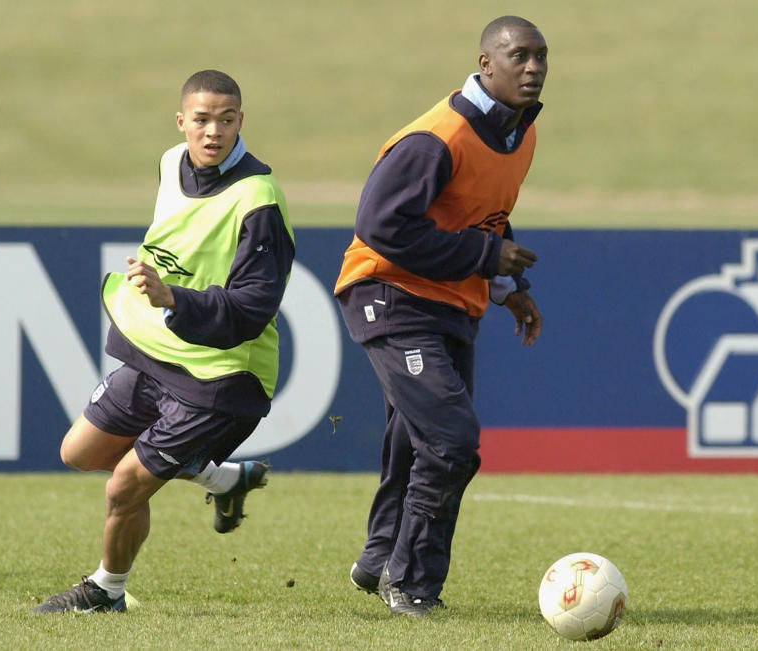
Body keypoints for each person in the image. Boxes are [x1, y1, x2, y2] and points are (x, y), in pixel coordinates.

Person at [33, 69, 295, 614]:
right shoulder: (170, 162)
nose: (213, 132)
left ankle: (105, 591)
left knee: (125, 486)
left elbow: (252, 310)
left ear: (241, 122)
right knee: (78, 452)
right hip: (158, 352)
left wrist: (175, 298)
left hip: (222, 376)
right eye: (200, 120)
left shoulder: (260, 199)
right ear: (181, 123)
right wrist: (162, 298)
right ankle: (218, 476)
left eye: (226, 120)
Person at [334, 16, 547, 617]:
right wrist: (485, 257)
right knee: (452, 442)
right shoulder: (438, 136)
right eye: (519, 56)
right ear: (486, 64)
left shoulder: (520, 135)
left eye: (541, 58)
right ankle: (412, 583)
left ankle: (379, 560)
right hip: (389, 294)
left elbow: (487, 217)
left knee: (415, 437)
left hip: (451, 302)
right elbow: (380, 226)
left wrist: (508, 287)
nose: (533, 68)